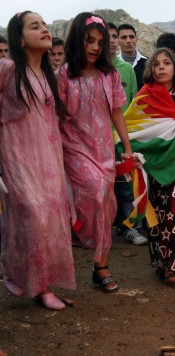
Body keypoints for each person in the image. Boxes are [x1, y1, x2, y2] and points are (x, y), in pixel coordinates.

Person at [0, 11, 75, 310]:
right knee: (32, 215)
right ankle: (12, 269)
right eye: (35, 26)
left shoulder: (48, 76)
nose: (44, 29)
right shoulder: (6, 68)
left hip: (49, 158)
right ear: (19, 38)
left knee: (50, 222)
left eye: (44, 25)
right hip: (17, 157)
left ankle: (42, 287)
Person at [57, 12, 134, 293]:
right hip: (73, 148)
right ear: (78, 40)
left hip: (103, 149)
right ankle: (88, 244)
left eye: (100, 43)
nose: (94, 47)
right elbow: (57, 118)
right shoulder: (62, 76)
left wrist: (126, 146)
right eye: (89, 40)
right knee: (95, 189)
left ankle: (99, 264)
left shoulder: (109, 74)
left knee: (107, 203)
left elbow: (116, 111)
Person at [120, 48, 175, 283]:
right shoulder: (144, 97)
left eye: (167, 63)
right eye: (157, 64)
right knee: (157, 213)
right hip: (154, 164)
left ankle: (172, 265)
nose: (162, 67)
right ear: (151, 69)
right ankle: (160, 261)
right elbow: (131, 127)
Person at [107, 23, 147, 246]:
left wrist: (128, 138)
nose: (113, 41)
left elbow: (131, 105)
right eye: (110, 36)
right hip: (98, 138)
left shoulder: (127, 70)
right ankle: (100, 231)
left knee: (125, 184)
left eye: (115, 36)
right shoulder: (95, 69)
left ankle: (129, 227)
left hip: (122, 137)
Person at [118, 23, 147, 90]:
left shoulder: (148, 64)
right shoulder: (113, 65)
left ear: (136, 39)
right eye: (124, 37)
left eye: (131, 37)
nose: (128, 41)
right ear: (118, 41)